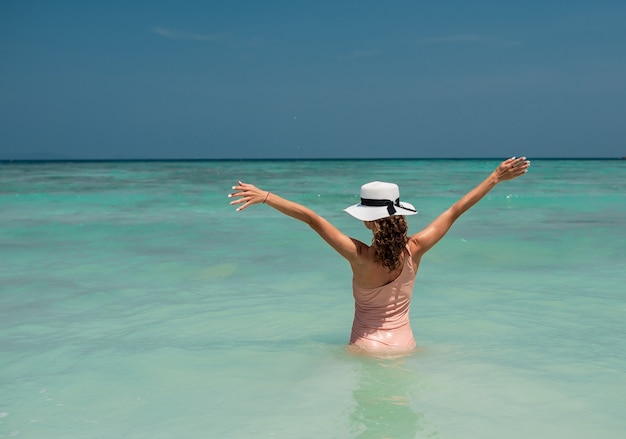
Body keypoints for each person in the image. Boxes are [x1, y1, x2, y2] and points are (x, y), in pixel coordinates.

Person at [228, 157, 530, 354]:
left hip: (365, 349)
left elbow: (311, 218)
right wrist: (494, 178)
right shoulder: (417, 248)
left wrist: (266, 197)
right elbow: (455, 210)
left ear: (367, 220)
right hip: (405, 347)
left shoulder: (359, 256)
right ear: (400, 214)